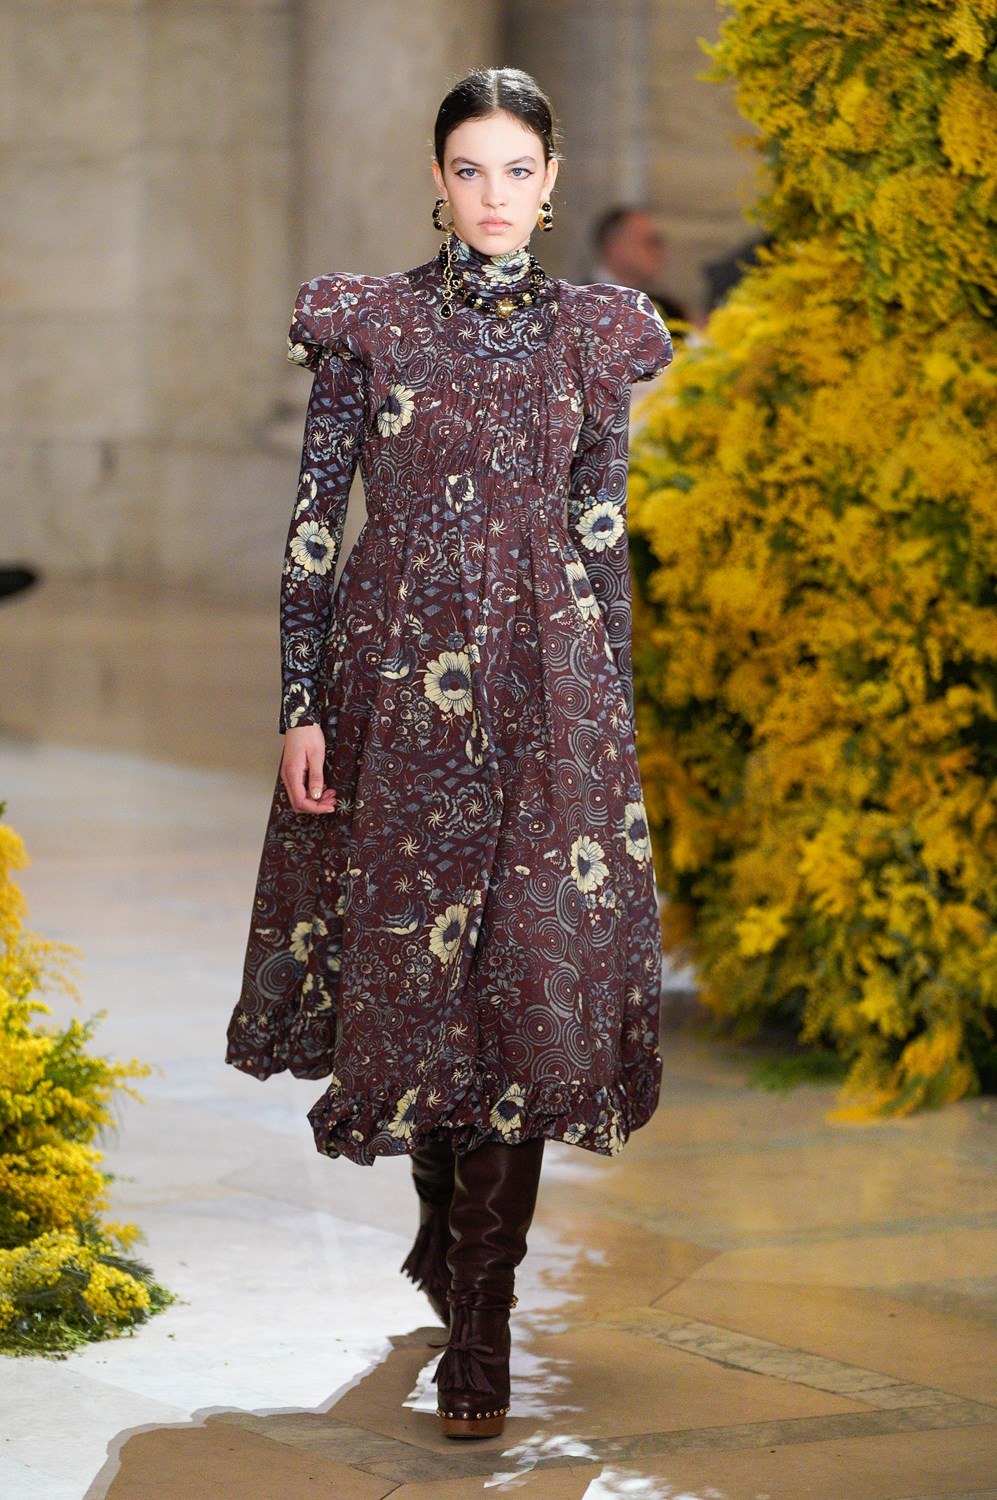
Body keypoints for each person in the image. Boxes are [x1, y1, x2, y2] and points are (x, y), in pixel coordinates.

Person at [225, 66, 673, 1440]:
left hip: (549, 695)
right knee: (420, 984)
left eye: (516, 172)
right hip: (395, 690)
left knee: (528, 985)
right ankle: (438, 1220)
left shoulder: (596, 333)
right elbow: (315, 531)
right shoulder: (368, 325)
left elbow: (600, 533)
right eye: (469, 170)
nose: (493, 195)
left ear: (549, 183)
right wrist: (300, 706)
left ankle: (482, 1317)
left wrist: (612, 720)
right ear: (438, 179)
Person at [591, 204, 692, 327]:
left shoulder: (669, 310)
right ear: (615, 247)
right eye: (649, 242)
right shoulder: (580, 306)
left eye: (659, 244)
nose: (658, 252)